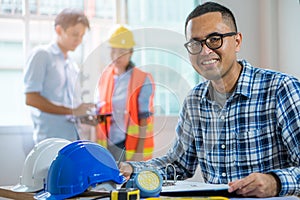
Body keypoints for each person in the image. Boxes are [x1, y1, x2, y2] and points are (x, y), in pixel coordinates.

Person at [119, 2, 300, 198]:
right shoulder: (194, 101)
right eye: (196, 44)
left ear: (237, 41)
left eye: (215, 39)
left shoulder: (281, 89)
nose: (205, 51)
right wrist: (131, 168)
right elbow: (178, 164)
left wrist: (275, 182)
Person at [24, 8, 95, 144]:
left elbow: (69, 104)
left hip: (72, 139)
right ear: (59, 30)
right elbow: (31, 98)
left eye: (82, 35)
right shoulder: (42, 55)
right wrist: (72, 111)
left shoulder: (71, 64)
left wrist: (82, 115)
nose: (79, 40)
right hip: (49, 141)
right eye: (75, 34)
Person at [96, 25, 155, 162]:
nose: (117, 56)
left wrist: (139, 152)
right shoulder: (105, 76)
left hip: (129, 145)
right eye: (113, 50)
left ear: (131, 52)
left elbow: (144, 118)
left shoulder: (142, 79)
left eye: (122, 51)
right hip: (107, 144)